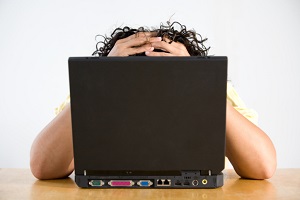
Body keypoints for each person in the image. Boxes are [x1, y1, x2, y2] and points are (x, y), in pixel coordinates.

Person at [30, 21, 276, 180]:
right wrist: (100, 80)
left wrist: (200, 82)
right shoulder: (90, 98)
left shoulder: (216, 93)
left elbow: (262, 167)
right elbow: (43, 167)